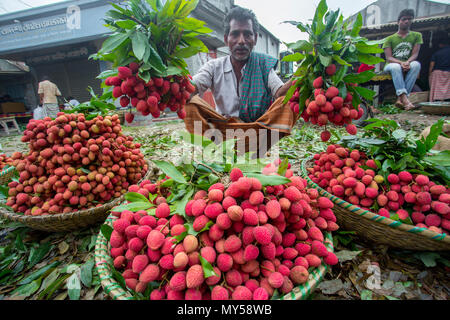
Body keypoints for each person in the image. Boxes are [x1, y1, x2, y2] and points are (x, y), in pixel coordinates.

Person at [183, 6, 296, 157]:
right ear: (226, 39)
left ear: (255, 38)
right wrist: (171, 81)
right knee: (189, 105)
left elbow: (280, 93)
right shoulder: (214, 67)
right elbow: (192, 87)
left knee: (289, 103)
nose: (241, 41)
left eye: (247, 34)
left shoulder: (263, 64)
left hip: (256, 134)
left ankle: (255, 150)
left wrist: (302, 76)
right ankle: (218, 149)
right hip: (221, 133)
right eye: (235, 34)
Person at [382, 9, 423, 111]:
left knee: (416, 65)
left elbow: (415, 54)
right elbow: (389, 58)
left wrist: (408, 62)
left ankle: (401, 99)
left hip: (408, 63)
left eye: (409, 19)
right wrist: (401, 63)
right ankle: (404, 99)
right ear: (398, 21)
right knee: (396, 67)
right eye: (404, 19)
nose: (406, 21)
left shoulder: (417, 36)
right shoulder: (389, 39)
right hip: (391, 65)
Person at [428, 31, 450, 102]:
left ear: (440, 45)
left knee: (436, 89)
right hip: (448, 73)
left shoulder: (436, 53)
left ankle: (437, 101)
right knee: (447, 89)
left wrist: (429, 74)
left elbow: (431, 66)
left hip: (437, 73)